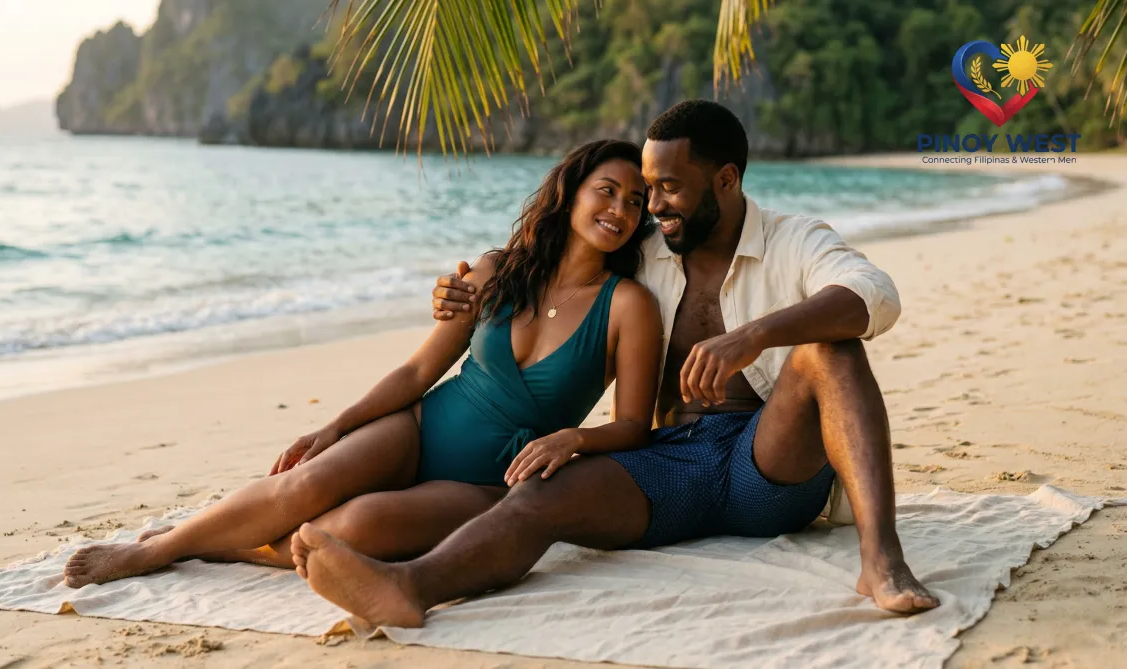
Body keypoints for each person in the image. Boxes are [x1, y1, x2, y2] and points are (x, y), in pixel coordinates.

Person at [285, 99, 941, 625]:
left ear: (726, 180)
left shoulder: (795, 239)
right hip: (665, 460)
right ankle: (409, 586)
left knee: (829, 348)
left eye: (668, 189)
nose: (649, 206)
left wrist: (756, 336)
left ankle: (881, 560)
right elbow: (547, 271)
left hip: (766, 460)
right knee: (537, 494)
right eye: (646, 189)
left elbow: (872, 296)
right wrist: (457, 292)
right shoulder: (644, 251)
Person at [62, 139, 663, 588]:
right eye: (606, 190)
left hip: (490, 481)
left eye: (635, 202)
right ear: (571, 193)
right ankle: (154, 551)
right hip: (419, 428)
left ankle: (238, 549)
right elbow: (416, 373)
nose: (619, 209)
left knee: (351, 529)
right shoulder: (497, 271)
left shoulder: (628, 306)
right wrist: (339, 424)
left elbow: (635, 425)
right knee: (305, 482)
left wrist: (573, 439)